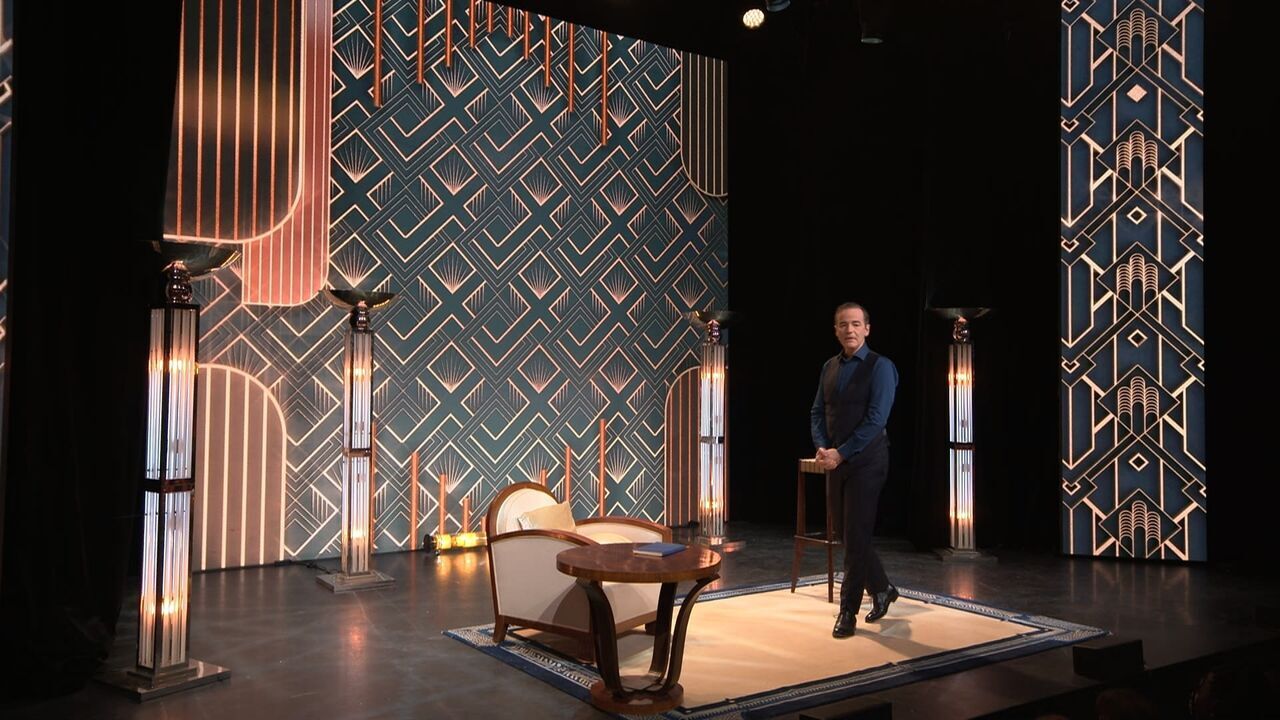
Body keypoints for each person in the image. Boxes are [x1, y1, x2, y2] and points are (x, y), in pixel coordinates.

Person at [810, 301, 899, 638]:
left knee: (857, 534)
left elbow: (876, 420)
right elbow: (817, 412)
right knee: (845, 534)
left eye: (856, 324)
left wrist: (841, 453)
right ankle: (883, 588)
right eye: (843, 324)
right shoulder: (829, 367)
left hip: (867, 462)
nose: (850, 329)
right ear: (836, 330)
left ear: (867, 329)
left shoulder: (881, 367)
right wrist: (823, 447)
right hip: (835, 459)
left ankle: (848, 611)